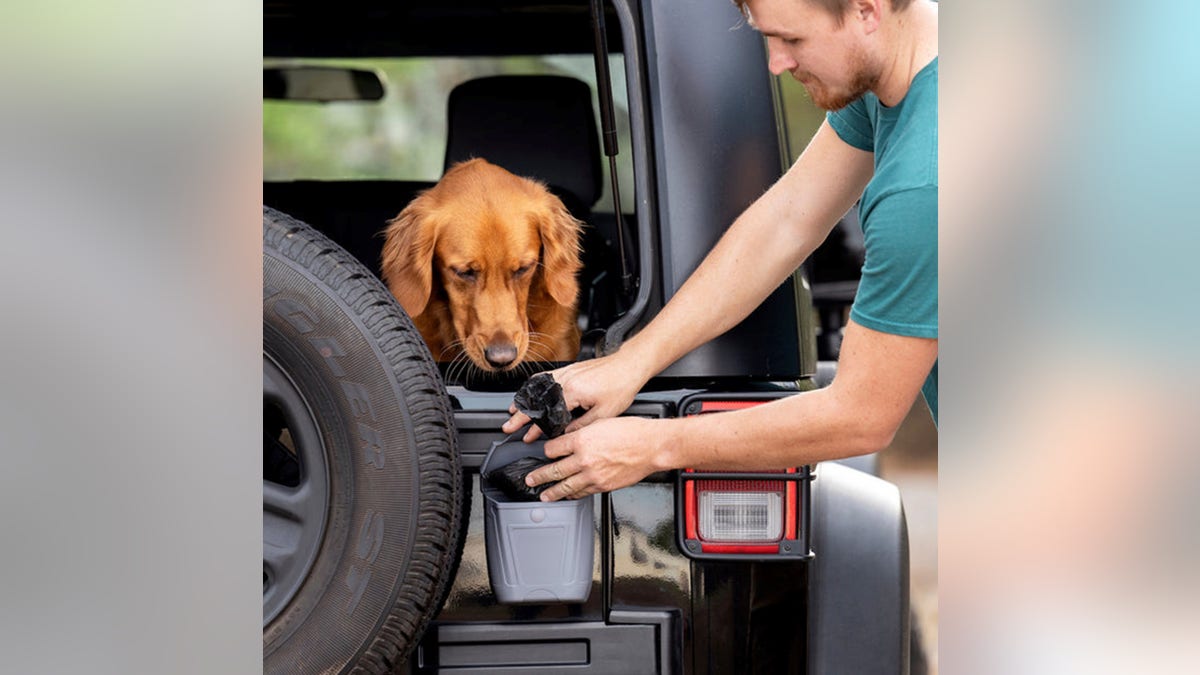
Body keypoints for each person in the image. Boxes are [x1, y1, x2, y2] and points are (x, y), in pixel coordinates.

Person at [502, 0, 938, 502]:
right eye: (768, 38)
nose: (776, 62)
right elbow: (786, 219)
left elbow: (859, 416)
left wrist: (656, 445)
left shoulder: (927, 184)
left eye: (792, 40)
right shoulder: (893, 74)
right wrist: (631, 362)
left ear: (867, 11)